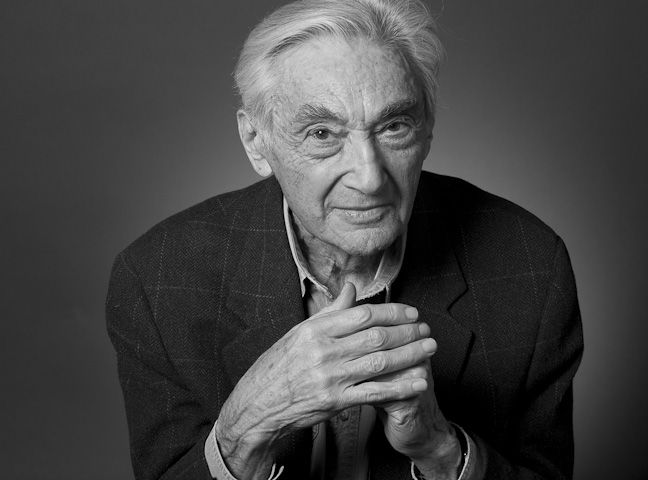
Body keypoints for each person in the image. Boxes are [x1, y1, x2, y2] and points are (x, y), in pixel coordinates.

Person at [106, 1, 583, 479]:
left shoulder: (530, 266)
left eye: (394, 127)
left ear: (427, 127)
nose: (370, 178)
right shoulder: (157, 278)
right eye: (322, 134)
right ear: (256, 142)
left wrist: (440, 450)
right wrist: (245, 428)